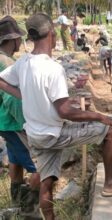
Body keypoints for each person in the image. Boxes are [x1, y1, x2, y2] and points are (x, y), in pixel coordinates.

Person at [0, 13, 112, 220]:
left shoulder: (24, 63)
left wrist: (26, 96)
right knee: (109, 130)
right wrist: (98, 116)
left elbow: (2, 81)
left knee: (46, 183)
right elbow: (64, 112)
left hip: (37, 136)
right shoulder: (53, 69)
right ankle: (111, 183)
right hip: (55, 133)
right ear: (52, 35)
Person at [0, 16, 41, 216]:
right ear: (13, 39)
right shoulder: (6, 62)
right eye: (19, 39)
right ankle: (28, 210)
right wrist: (27, 123)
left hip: (5, 123)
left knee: (15, 161)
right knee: (39, 167)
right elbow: (11, 99)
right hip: (13, 123)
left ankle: (15, 204)